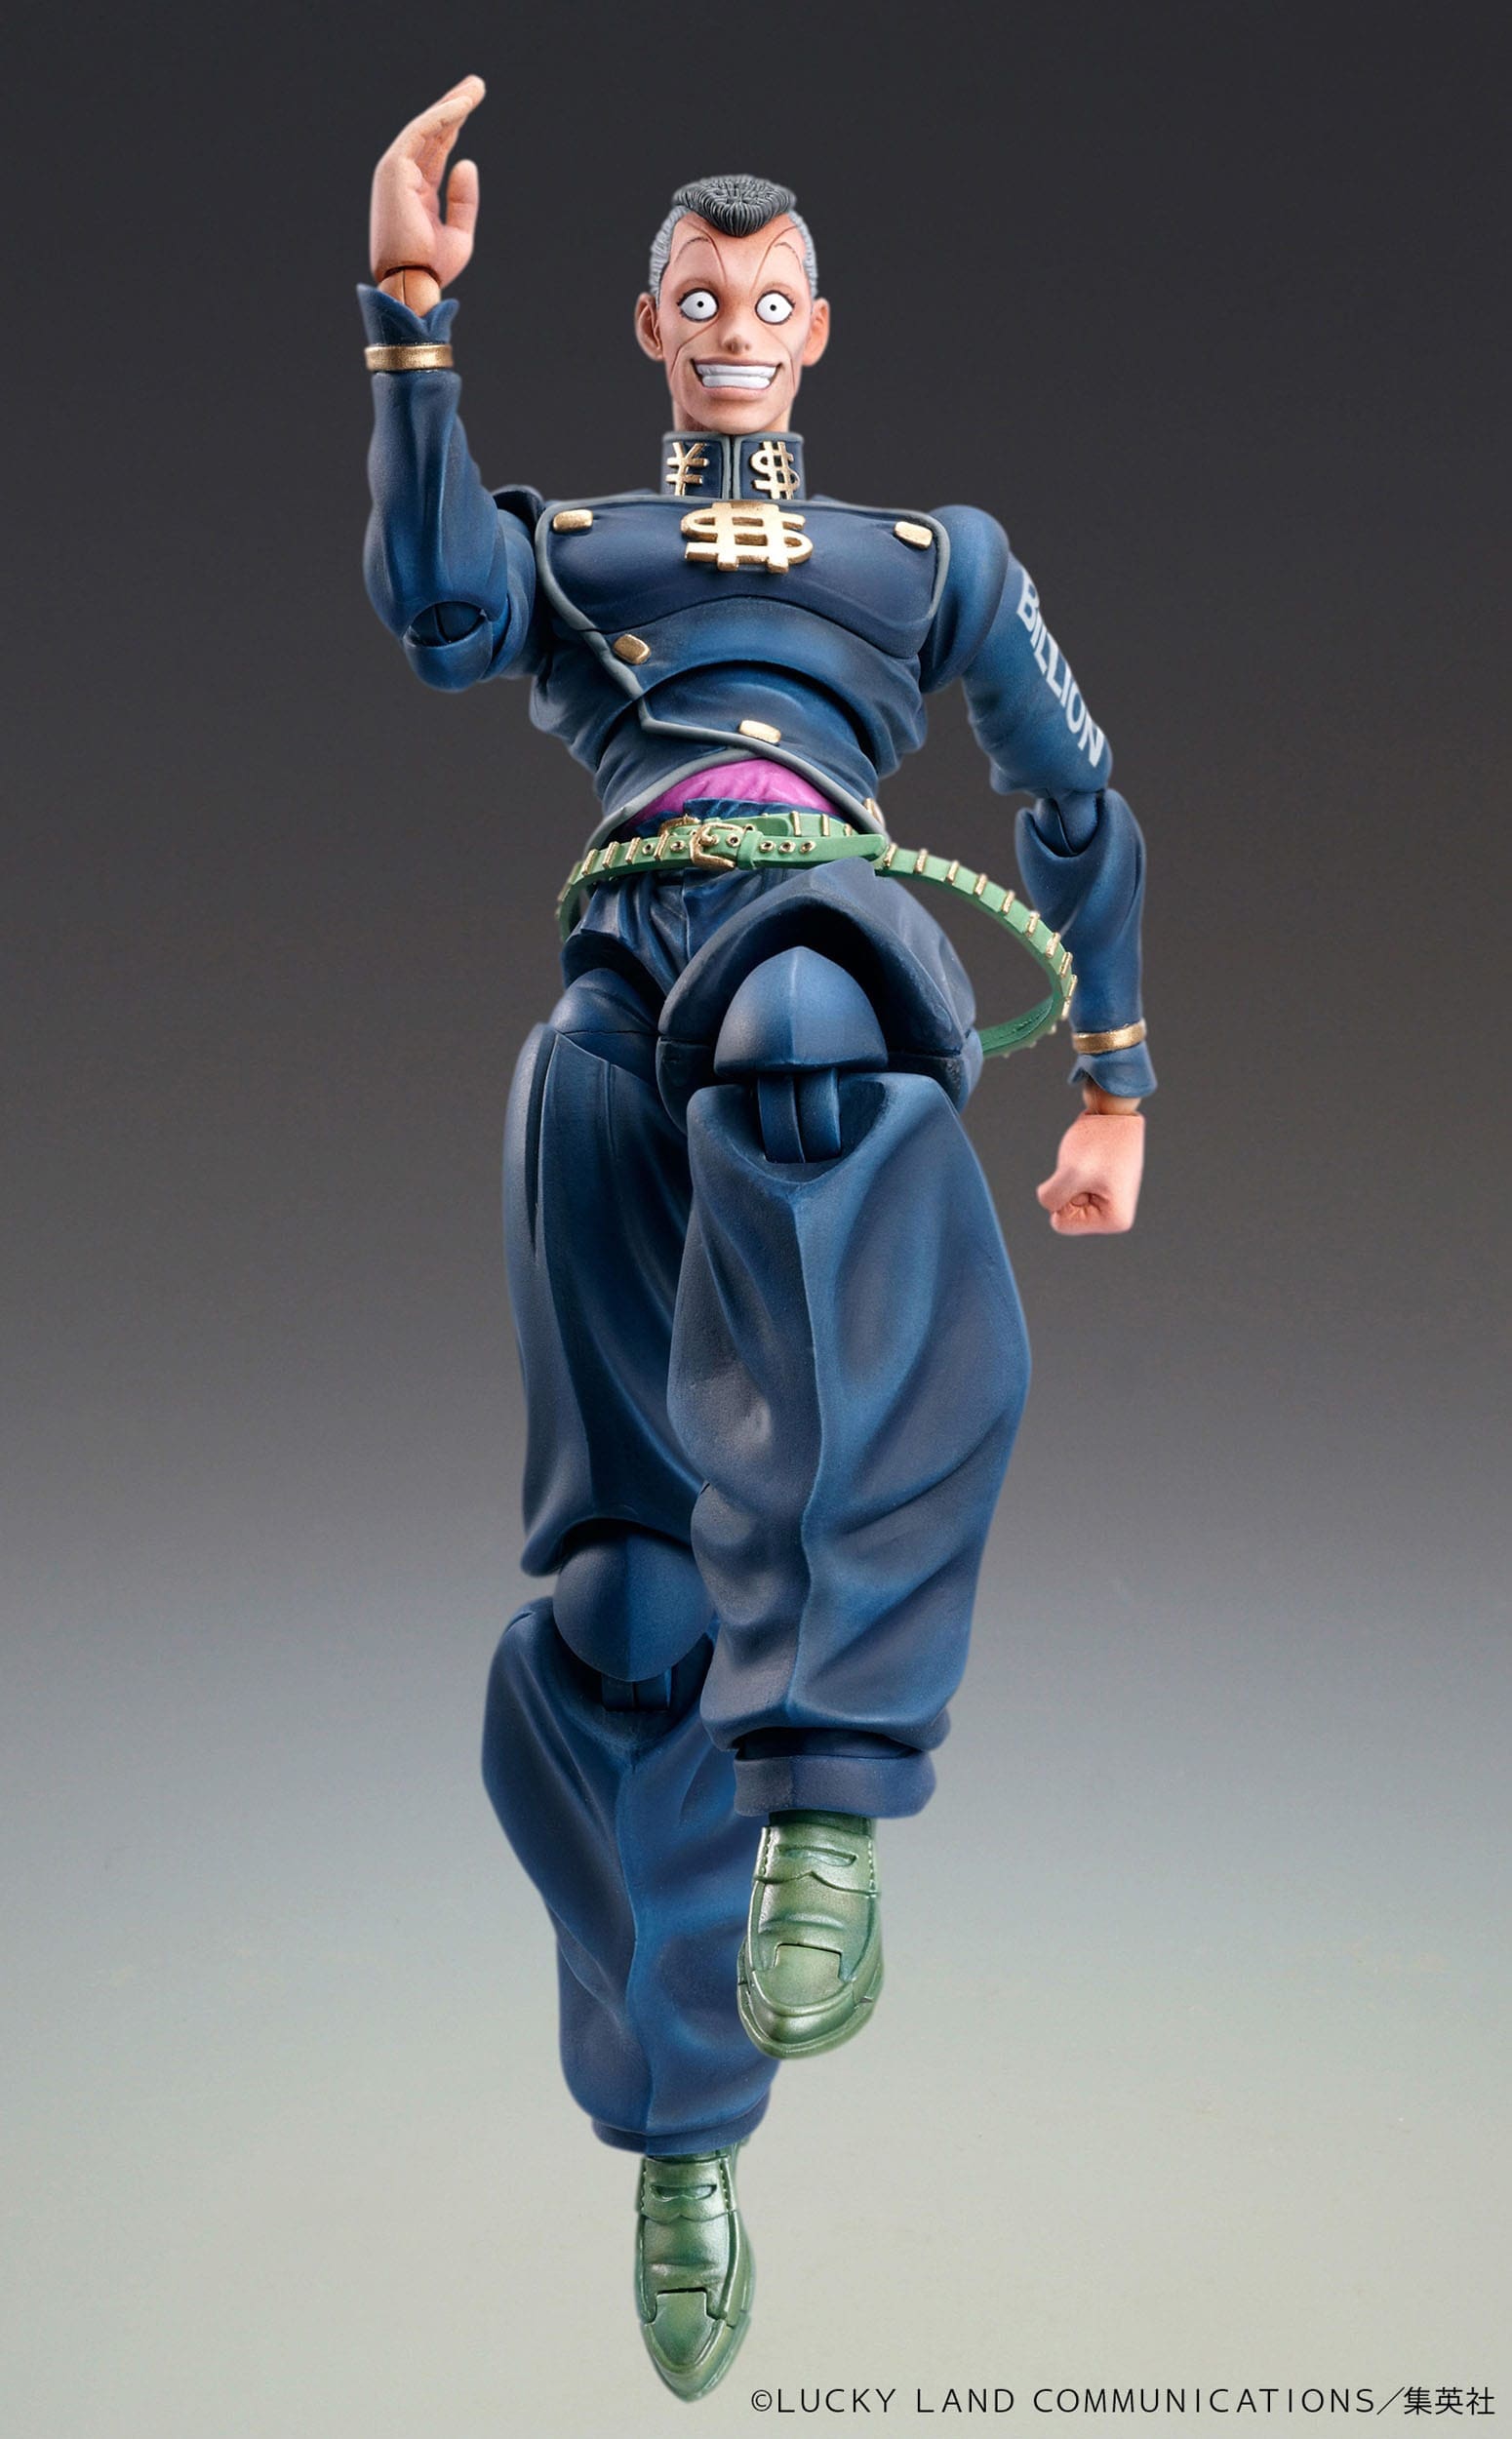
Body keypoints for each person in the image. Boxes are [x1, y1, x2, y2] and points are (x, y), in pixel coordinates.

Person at [360, 75, 1152, 2402]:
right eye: (695, 303)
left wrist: (1117, 1076)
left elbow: (1071, 802)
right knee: (622, 1617)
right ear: (650, 325)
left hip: (813, 914)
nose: (732, 332)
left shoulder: (927, 561)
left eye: (766, 302)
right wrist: (407, 315)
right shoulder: (580, 548)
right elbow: (436, 615)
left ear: (819, 324)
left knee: (814, 1039)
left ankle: (827, 1783)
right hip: (616, 988)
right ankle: (679, 2120)